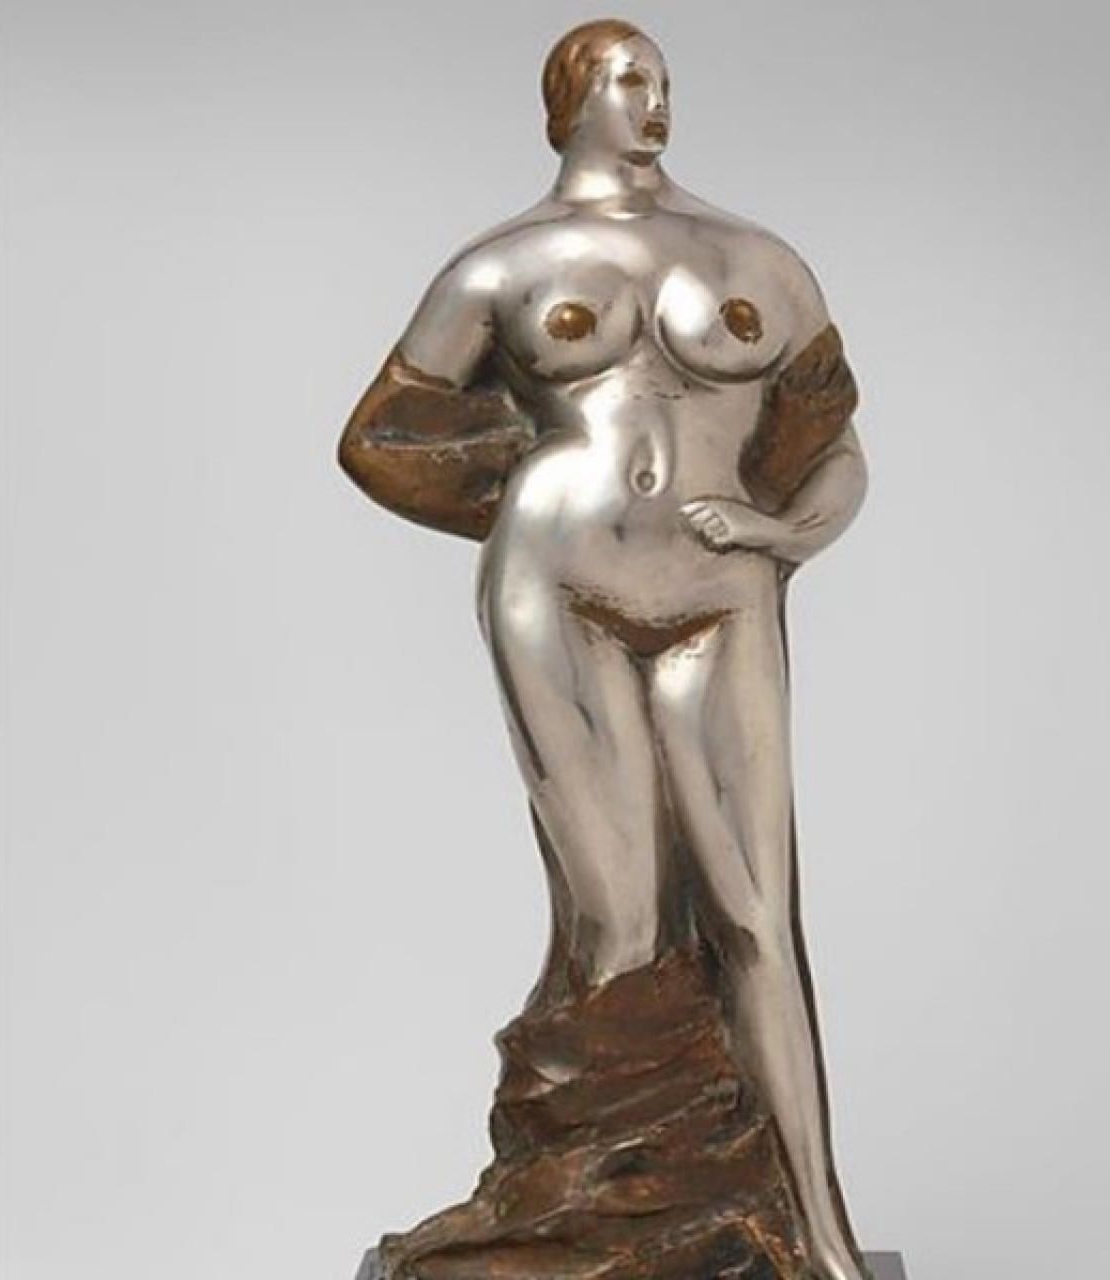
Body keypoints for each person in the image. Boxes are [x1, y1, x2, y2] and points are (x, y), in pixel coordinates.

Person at [340, 20, 870, 1280]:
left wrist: (782, 531)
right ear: (567, 100)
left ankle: (818, 1235)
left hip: (721, 589)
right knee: (618, 913)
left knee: (758, 913)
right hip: (560, 588)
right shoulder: (504, 264)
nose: (652, 99)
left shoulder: (756, 259)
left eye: (662, 80)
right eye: (627, 79)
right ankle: (606, 1200)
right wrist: (527, 497)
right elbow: (378, 437)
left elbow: (835, 447)